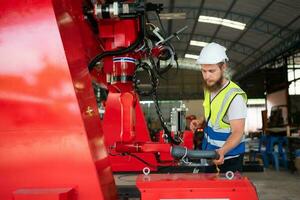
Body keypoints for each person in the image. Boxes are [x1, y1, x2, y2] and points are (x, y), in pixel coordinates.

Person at [190, 42, 247, 173]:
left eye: (211, 71)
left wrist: (222, 151)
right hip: (211, 153)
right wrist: (200, 121)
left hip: (229, 158)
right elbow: (212, 112)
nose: (207, 76)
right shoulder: (210, 88)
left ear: (223, 67)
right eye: (203, 71)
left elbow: (238, 132)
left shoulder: (234, 97)